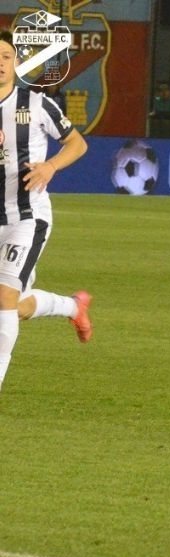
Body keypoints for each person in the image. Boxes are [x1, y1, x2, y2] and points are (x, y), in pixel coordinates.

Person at [0, 30, 92, 393]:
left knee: (4, 298)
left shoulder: (36, 104)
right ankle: (73, 307)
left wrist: (50, 166)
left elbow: (77, 143)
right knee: (16, 306)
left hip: (27, 217)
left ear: (17, 63)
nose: (0, 63)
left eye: (6, 56)